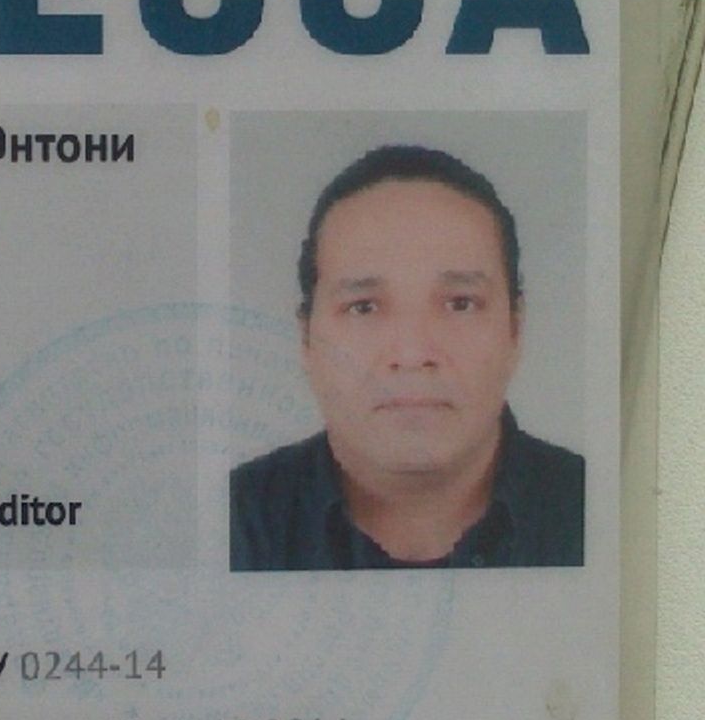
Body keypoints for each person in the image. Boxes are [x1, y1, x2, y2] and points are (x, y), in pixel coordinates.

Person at [230, 144, 584, 570]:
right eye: (364, 307)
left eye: (460, 303)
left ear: (515, 328)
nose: (414, 354)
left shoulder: (598, 509)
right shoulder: (234, 522)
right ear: (306, 337)